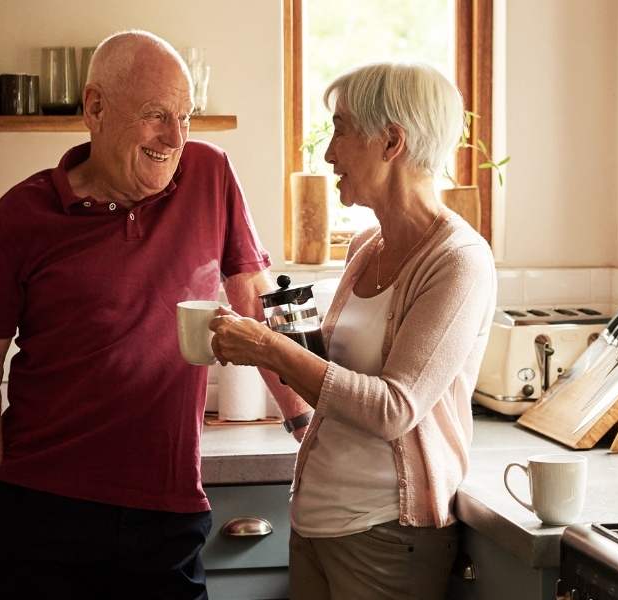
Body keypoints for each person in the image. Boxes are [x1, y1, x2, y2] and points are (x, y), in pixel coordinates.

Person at [0, 30, 311, 600]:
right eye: (156, 116)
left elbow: (253, 300)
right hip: (41, 512)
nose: (175, 137)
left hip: (165, 511)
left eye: (185, 117)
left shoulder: (209, 175)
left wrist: (303, 424)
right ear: (94, 107)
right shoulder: (20, 216)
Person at [209, 62, 497, 600]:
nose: (328, 153)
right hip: (317, 523)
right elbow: (334, 380)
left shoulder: (458, 261)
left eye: (340, 129)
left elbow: (394, 408)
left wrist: (268, 347)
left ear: (391, 141)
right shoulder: (367, 248)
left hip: (386, 537)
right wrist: (272, 343)